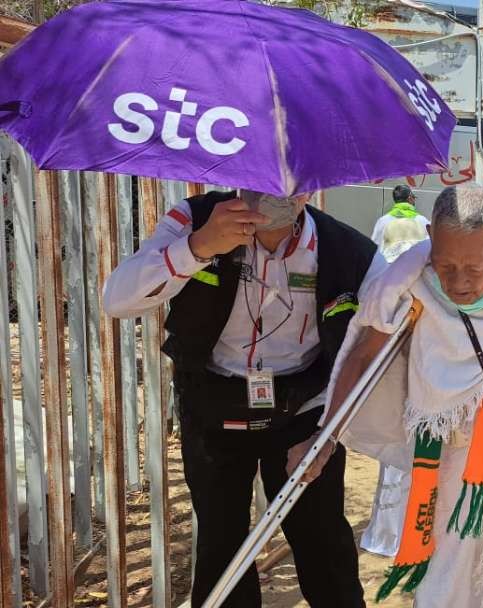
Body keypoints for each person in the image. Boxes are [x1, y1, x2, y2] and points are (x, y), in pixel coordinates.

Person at [306, 184, 483, 608]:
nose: (458, 282)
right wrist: (326, 435)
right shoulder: (408, 280)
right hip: (444, 448)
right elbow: (364, 353)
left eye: (474, 268)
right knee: (445, 569)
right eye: (445, 265)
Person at [103, 188, 374, 607]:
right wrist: (196, 248)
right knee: (221, 543)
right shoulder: (194, 219)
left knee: (323, 543)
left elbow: (389, 324)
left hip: (304, 412)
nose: (275, 192)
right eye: (260, 177)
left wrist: (329, 432)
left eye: (291, 180)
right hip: (214, 407)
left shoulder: (346, 249)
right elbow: (117, 299)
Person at [358, 216, 428, 558]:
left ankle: (414, 535)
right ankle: (390, 537)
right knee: (398, 464)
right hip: (403, 384)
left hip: (427, 388)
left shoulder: (385, 223)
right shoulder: (394, 282)